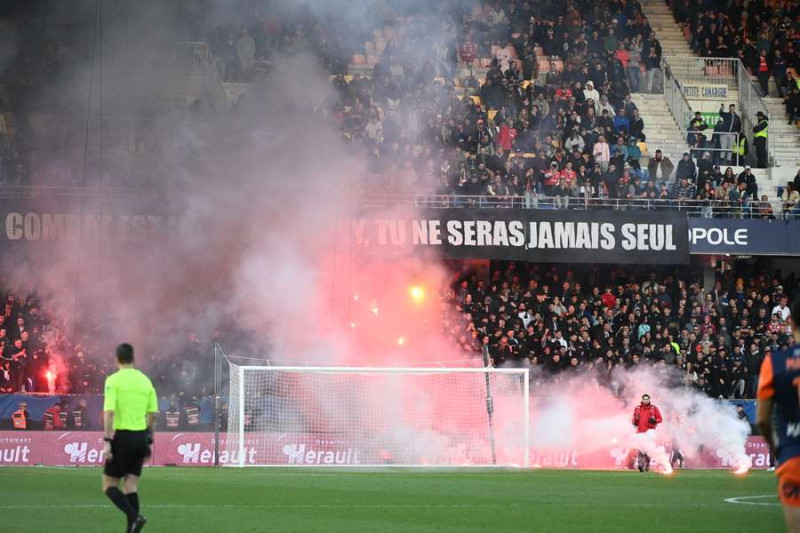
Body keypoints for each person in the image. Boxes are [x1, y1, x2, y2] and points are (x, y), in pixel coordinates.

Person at [102, 343, 158, 533]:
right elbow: (153, 414)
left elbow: (109, 412)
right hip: (141, 437)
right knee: (131, 485)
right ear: (134, 358)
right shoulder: (145, 381)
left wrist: (108, 442)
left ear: (116, 359)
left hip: (124, 436)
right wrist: (149, 439)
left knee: (109, 485)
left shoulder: (113, 380)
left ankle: (135, 517)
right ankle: (131, 529)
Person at [757, 298, 800, 532]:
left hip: (793, 456)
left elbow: (762, 419)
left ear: (790, 322)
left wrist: (777, 450)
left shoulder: (775, 362)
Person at [632, 393, 663, 472]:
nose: (645, 400)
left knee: (648, 449)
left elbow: (660, 419)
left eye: (647, 399)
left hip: (650, 431)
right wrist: (634, 422)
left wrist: (655, 420)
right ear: (642, 400)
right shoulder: (637, 408)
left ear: (649, 400)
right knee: (641, 448)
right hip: (640, 431)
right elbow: (634, 419)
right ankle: (640, 465)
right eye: (644, 399)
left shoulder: (654, 408)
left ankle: (647, 464)